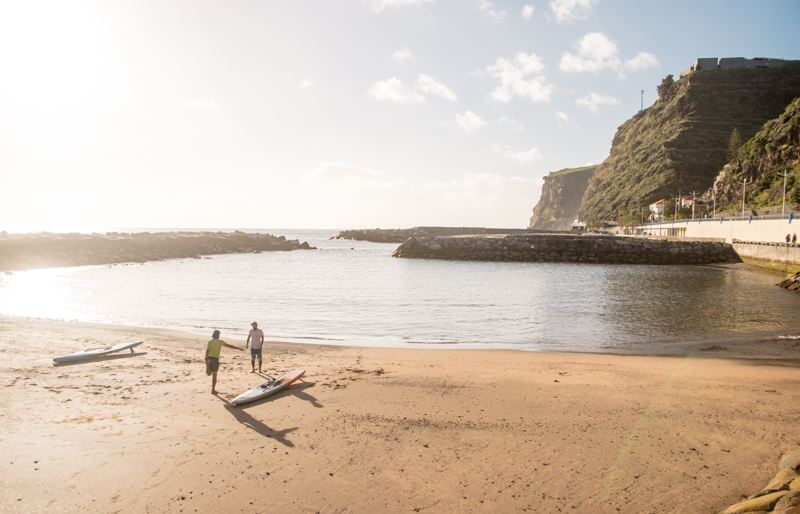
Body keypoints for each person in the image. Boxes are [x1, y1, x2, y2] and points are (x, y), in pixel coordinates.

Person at [205, 330, 243, 394]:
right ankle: (213, 390)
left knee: (208, 373)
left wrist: (206, 358)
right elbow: (229, 346)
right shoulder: (220, 342)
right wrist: (238, 348)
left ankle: (208, 366)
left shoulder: (209, 342)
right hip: (215, 359)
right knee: (214, 375)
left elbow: (207, 350)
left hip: (209, 358)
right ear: (218, 335)